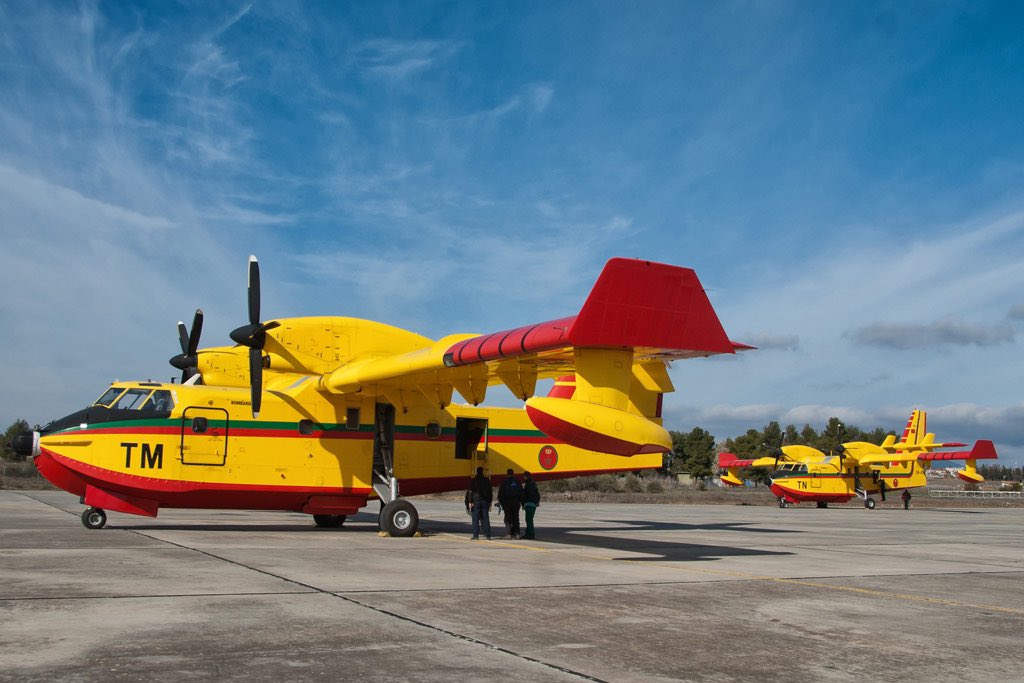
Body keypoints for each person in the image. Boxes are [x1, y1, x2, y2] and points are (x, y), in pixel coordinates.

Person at [465, 467, 492, 540]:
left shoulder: (474, 480)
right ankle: (488, 535)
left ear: (477, 472)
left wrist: (470, 501)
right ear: (483, 472)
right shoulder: (487, 480)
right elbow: (490, 492)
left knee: (475, 519)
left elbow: (470, 492)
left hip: (476, 501)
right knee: (486, 518)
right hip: (485, 501)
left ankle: (476, 535)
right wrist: (490, 502)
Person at [497, 468, 523, 539]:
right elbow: (521, 492)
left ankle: (508, 534)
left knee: (508, 518)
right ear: (513, 474)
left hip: (507, 502)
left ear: (507, 474)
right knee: (516, 518)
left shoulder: (504, 482)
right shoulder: (517, 482)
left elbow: (501, 493)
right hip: (516, 502)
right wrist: (520, 502)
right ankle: (517, 534)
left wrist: (500, 502)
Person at [521, 471, 540, 539]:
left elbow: (524, 495)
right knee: (530, 519)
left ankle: (530, 535)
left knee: (529, 520)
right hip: (534, 504)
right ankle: (528, 534)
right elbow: (537, 494)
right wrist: (537, 502)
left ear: (525, 476)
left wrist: (523, 504)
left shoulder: (528, 484)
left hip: (529, 504)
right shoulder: (534, 483)